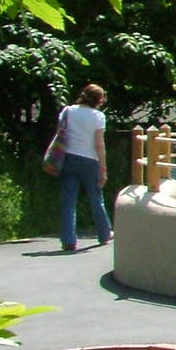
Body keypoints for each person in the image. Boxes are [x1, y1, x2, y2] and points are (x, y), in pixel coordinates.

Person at [56, 83, 111, 252]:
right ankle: (104, 234)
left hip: (69, 158)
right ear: (99, 100)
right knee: (95, 198)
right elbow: (99, 144)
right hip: (90, 160)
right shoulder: (98, 116)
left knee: (68, 200)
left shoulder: (67, 111)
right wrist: (103, 168)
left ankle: (68, 240)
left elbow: (60, 133)